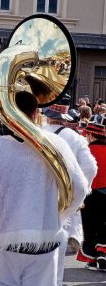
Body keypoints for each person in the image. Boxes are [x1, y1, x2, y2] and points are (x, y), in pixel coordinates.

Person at [0, 91, 88, 286]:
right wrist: (59, 215)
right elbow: (80, 188)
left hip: (5, 238)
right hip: (45, 238)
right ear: (36, 113)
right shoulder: (57, 144)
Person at [42, 96, 98, 285]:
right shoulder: (75, 137)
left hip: (37, 193)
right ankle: (54, 281)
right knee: (58, 240)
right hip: (63, 197)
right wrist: (81, 190)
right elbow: (91, 167)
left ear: (49, 116)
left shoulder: (37, 132)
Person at [76, 114, 106, 271]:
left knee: (90, 227)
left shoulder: (87, 151)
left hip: (92, 194)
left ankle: (95, 258)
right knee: (104, 226)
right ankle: (102, 256)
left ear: (91, 135)